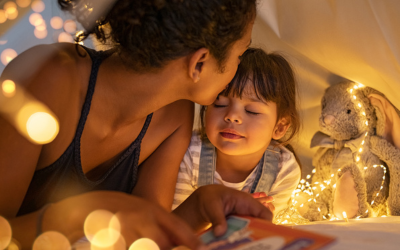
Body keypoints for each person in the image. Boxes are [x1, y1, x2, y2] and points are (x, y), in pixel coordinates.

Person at [0, 0, 273, 249]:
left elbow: (144, 237)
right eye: (240, 54)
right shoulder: (49, 77)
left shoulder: (175, 117)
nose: (239, 66)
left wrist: (200, 208)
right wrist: (79, 214)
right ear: (199, 62)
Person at [173, 48, 301, 218]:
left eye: (252, 111)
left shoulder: (284, 169)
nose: (232, 116)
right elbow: (175, 222)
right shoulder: (189, 154)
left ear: (279, 127)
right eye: (220, 104)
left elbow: (267, 228)